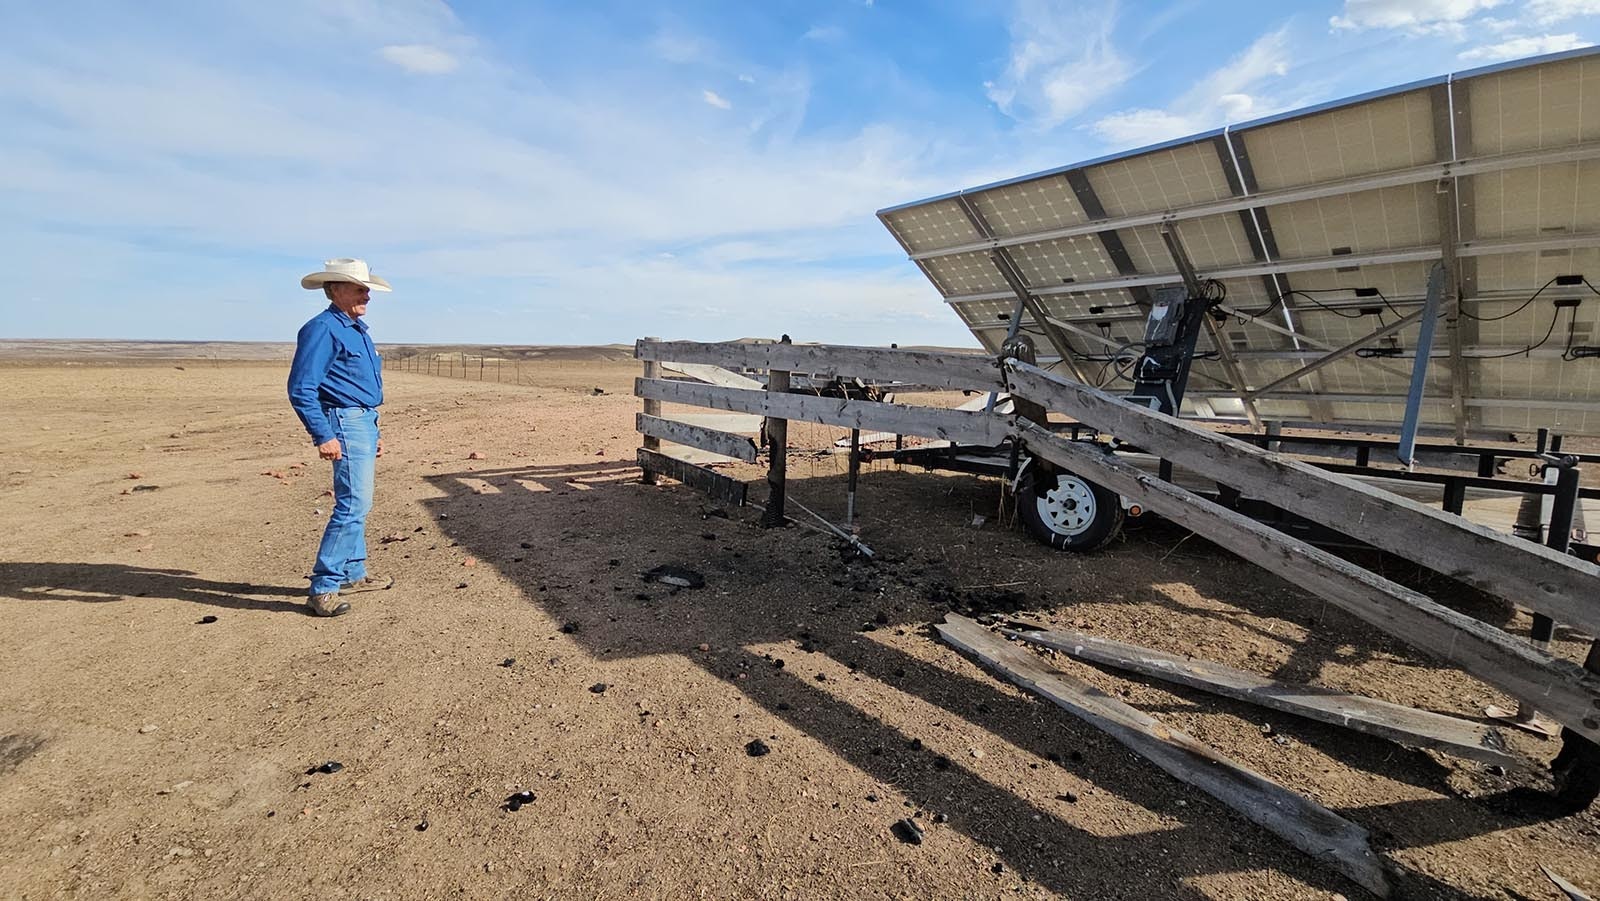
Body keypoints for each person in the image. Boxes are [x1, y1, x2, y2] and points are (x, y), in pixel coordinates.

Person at [288, 258, 396, 616]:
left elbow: (358, 387)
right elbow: (302, 387)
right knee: (352, 505)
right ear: (334, 290)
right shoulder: (322, 329)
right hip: (344, 423)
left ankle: (354, 572)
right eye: (359, 287)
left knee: (358, 503)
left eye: (367, 288)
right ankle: (324, 586)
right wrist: (323, 434)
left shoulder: (355, 328)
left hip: (362, 422)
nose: (367, 294)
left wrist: (373, 428)